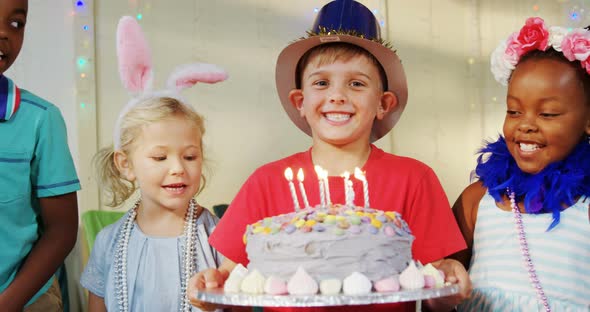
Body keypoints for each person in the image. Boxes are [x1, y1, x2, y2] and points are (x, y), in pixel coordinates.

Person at [188, 1, 471, 311]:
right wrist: (211, 288)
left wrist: (449, 283)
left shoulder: (414, 179)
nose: (337, 95)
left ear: (383, 103)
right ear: (300, 100)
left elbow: (435, 294)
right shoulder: (266, 183)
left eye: (357, 83)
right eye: (322, 83)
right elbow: (235, 287)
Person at [79, 16, 228, 312]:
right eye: (160, 157)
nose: (177, 168)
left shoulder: (217, 235)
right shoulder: (109, 242)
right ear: (126, 164)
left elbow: (241, 301)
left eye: (189, 156)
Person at [451, 17, 590, 311]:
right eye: (514, 111)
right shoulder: (476, 200)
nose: (525, 125)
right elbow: (439, 293)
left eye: (548, 114)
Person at [0, 1, 81, 311]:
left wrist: (8, 304)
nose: (4, 33)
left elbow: (62, 230)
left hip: (25, 300)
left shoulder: (41, 119)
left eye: (16, 24)